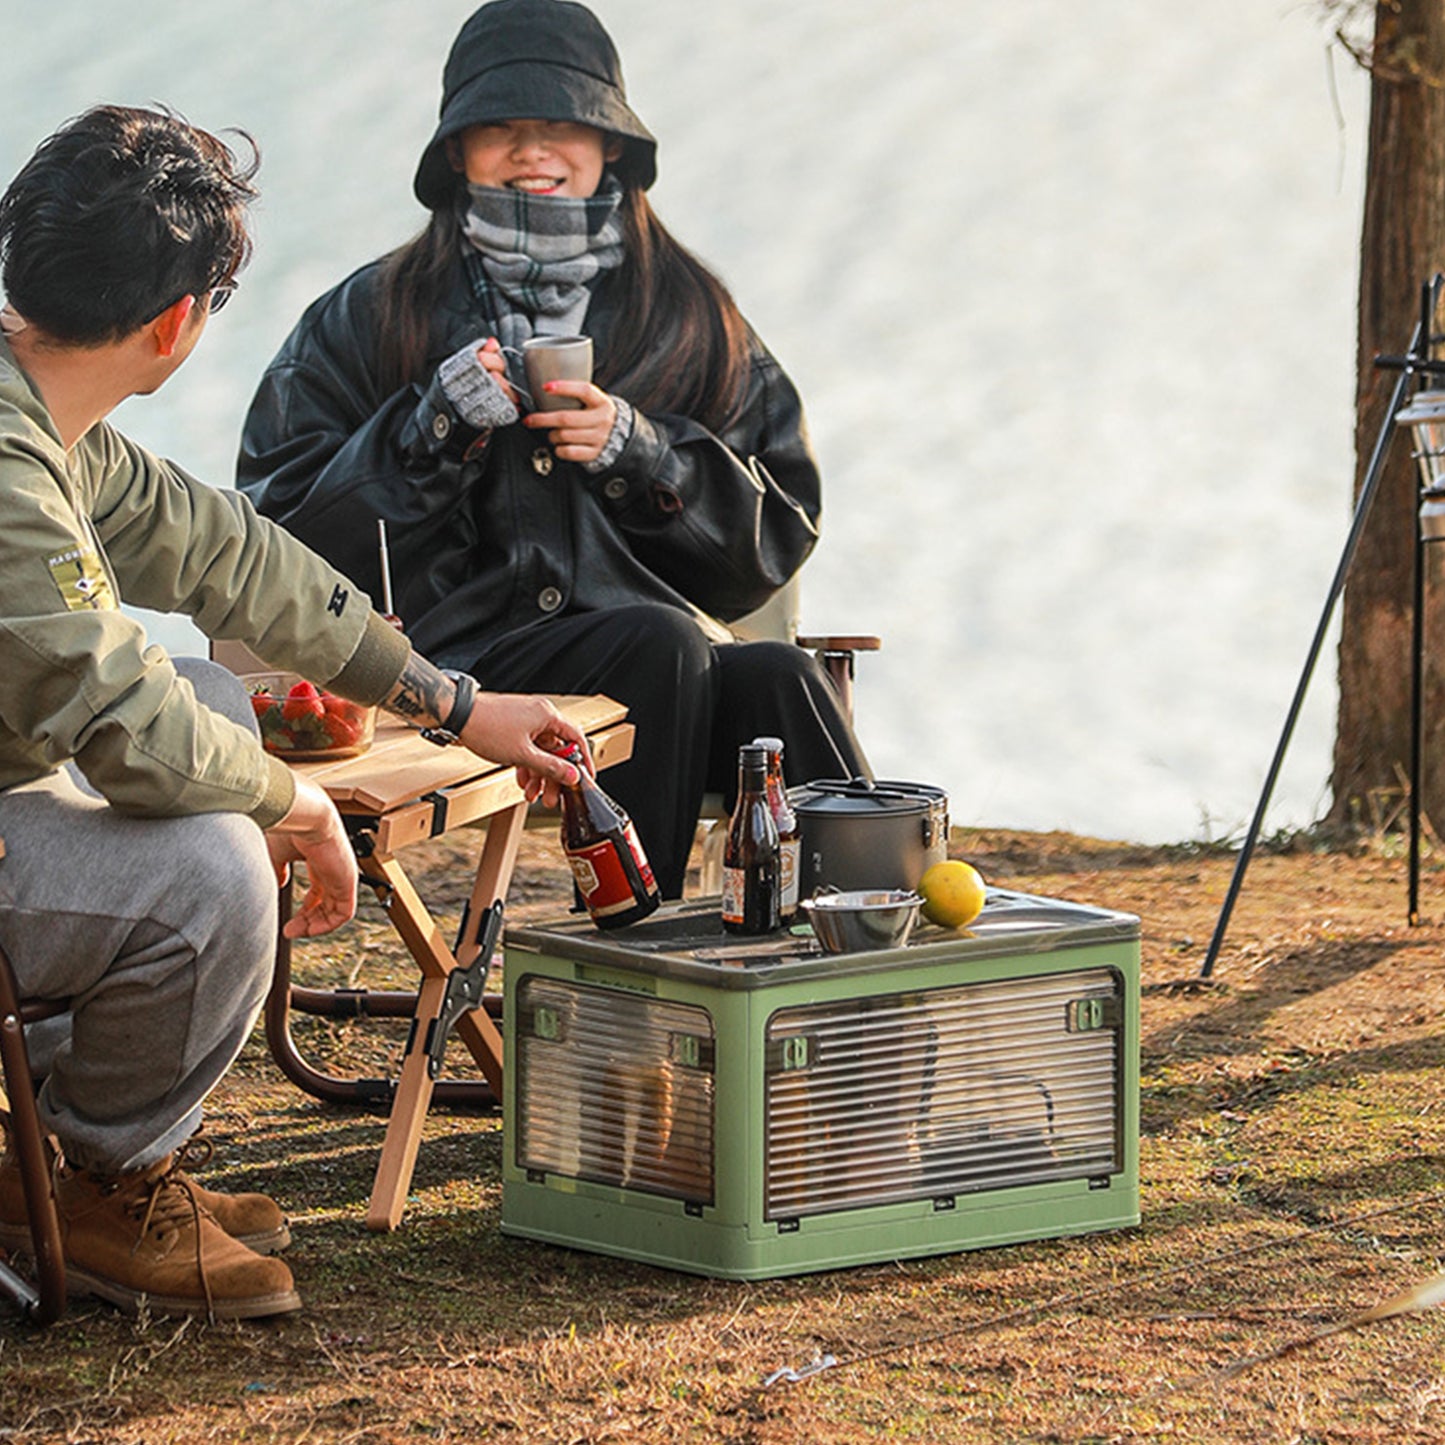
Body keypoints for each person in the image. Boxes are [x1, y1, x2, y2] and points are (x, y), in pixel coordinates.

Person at [0, 104, 592, 1320]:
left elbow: (236, 559)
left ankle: (54, 1155)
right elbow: (120, 716)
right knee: (215, 853)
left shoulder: (44, 420)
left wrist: (452, 702)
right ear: (178, 322)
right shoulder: (10, 474)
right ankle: (101, 1177)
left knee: (219, 700)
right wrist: (296, 801)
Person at [237, 0, 870, 898]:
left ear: (611, 142)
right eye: (500, 125)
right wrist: (433, 429)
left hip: (662, 669)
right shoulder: (368, 313)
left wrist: (639, 453)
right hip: (446, 674)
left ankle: (873, 943)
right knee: (660, 646)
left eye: (562, 122)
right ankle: (633, 946)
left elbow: (773, 539)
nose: (532, 148)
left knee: (776, 674)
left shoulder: (689, 314)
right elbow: (275, 539)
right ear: (456, 150)